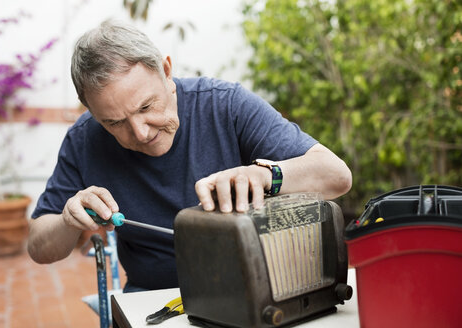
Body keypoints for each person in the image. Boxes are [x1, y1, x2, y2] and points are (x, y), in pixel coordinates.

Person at [27, 20, 352, 292]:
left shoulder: (225, 105)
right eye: (114, 122)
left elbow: (336, 176)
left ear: (166, 72)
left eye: (146, 107)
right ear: (93, 114)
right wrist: (68, 222)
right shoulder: (84, 138)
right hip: (151, 299)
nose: (140, 132)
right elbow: (39, 247)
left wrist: (266, 175)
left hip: (255, 290)